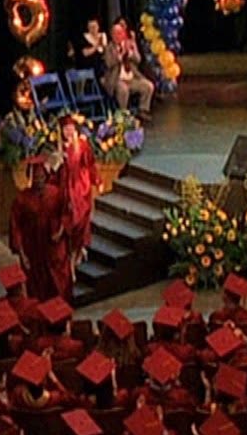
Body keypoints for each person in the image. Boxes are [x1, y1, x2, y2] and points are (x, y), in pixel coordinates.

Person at [9, 157, 70, 302]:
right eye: (36, 178)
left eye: (41, 177)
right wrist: (22, 254)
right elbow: (15, 227)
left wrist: (61, 231)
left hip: (53, 246)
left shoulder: (55, 193)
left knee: (58, 281)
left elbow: (66, 213)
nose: (39, 181)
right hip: (34, 248)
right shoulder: (21, 200)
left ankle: (61, 310)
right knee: (37, 285)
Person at [56, 114, 97, 271]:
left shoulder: (82, 145)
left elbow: (90, 164)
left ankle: (78, 251)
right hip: (65, 190)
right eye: (65, 129)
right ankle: (73, 252)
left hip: (80, 189)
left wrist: (97, 181)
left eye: (70, 128)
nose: (68, 131)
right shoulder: (59, 149)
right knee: (67, 222)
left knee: (79, 221)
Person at [104, 21, 155, 120]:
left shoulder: (130, 44)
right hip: (117, 79)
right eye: (115, 34)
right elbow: (108, 63)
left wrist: (131, 53)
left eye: (120, 33)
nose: (118, 36)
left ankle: (143, 110)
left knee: (148, 86)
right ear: (112, 35)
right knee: (123, 89)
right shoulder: (109, 48)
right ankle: (123, 113)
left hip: (132, 78)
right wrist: (119, 57)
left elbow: (138, 60)